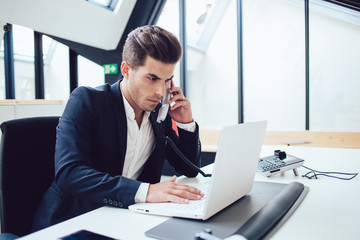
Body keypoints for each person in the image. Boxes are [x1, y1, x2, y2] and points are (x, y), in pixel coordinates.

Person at [32, 25, 203, 231]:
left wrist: (186, 123)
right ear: (126, 70)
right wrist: (145, 191)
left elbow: (190, 168)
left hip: (123, 221)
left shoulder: (159, 114)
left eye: (167, 80)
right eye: (152, 78)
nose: (160, 91)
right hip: (71, 223)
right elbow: (70, 173)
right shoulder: (87, 101)